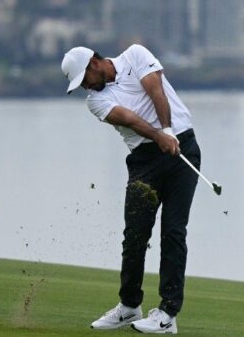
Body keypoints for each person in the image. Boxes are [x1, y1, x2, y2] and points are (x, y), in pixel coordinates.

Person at [61, 44, 201, 334]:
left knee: (174, 231)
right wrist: (158, 135)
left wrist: (167, 131)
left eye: (84, 79)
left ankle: (167, 315)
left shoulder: (135, 55)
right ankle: (129, 306)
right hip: (144, 162)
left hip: (182, 148)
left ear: (95, 63)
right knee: (135, 235)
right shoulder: (94, 102)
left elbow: (155, 89)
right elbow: (130, 120)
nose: (85, 86)